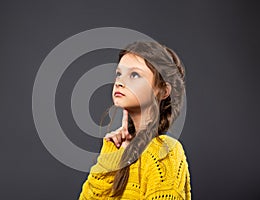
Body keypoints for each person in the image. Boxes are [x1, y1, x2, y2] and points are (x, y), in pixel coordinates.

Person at [79, 41, 191, 199]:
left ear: (163, 91)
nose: (119, 82)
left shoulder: (165, 153)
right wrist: (110, 157)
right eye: (119, 74)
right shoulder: (116, 150)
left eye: (134, 75)